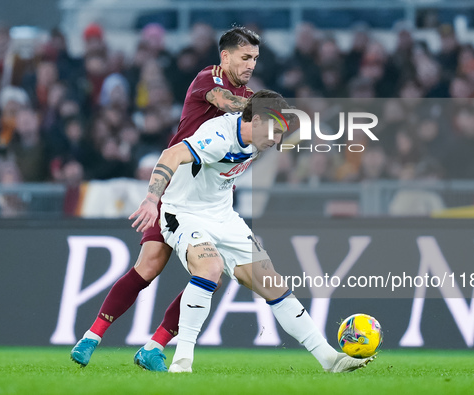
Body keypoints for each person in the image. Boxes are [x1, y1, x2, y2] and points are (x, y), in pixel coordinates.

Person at [130, 89, 376, 373]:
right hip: (184, 214)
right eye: (274, 131)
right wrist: (151, 200)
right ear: (256, 121)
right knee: (210, 268)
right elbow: (171, 154)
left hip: (224, 217)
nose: (277, 139)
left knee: (272, 282)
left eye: (282, 133)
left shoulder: (259, 141)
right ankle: (182, 362)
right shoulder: (218, 137)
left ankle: (329, 359)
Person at [71, 26, 260, 369]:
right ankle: (91, 337)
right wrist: (266, 109)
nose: (251, 65)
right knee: (149, 266)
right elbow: (228, 104)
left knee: (210, 272)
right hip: (176, 186)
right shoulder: (210, 79)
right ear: (226, 56)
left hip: (207, 200)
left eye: (255, 59)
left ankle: (154, 347)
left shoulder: (247, 92)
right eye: (246, 57)